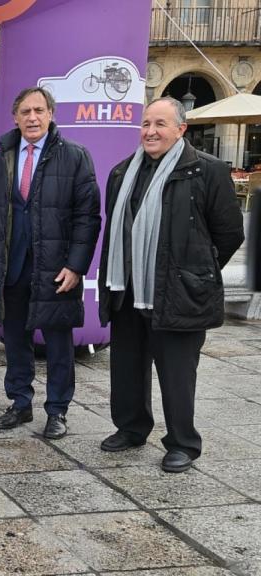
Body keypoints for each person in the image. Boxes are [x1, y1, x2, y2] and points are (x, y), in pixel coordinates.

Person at [98, 97, 244, 473]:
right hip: (128, 288)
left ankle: (182, 442)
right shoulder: (121, 173)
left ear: (181, 129)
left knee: (177, 372)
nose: (150, 132)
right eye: (146, 124)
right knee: (127, 365)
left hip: (180, 291)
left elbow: (228, 234)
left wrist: (195, 271)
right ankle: (131, 428)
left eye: (160, 124)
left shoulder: (206, 171)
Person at [0, 87, 101, 440]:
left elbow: (87, 217)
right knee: (15, 340)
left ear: (50, 115)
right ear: (15, 118)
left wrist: (76, 266)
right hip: (11, 268)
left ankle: (58, 410)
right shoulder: (2, 158)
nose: (32, 118)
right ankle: (20, 402)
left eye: (39, 111)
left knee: (59, 344)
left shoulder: (75, 157)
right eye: (25, 112)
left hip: (55, 270)